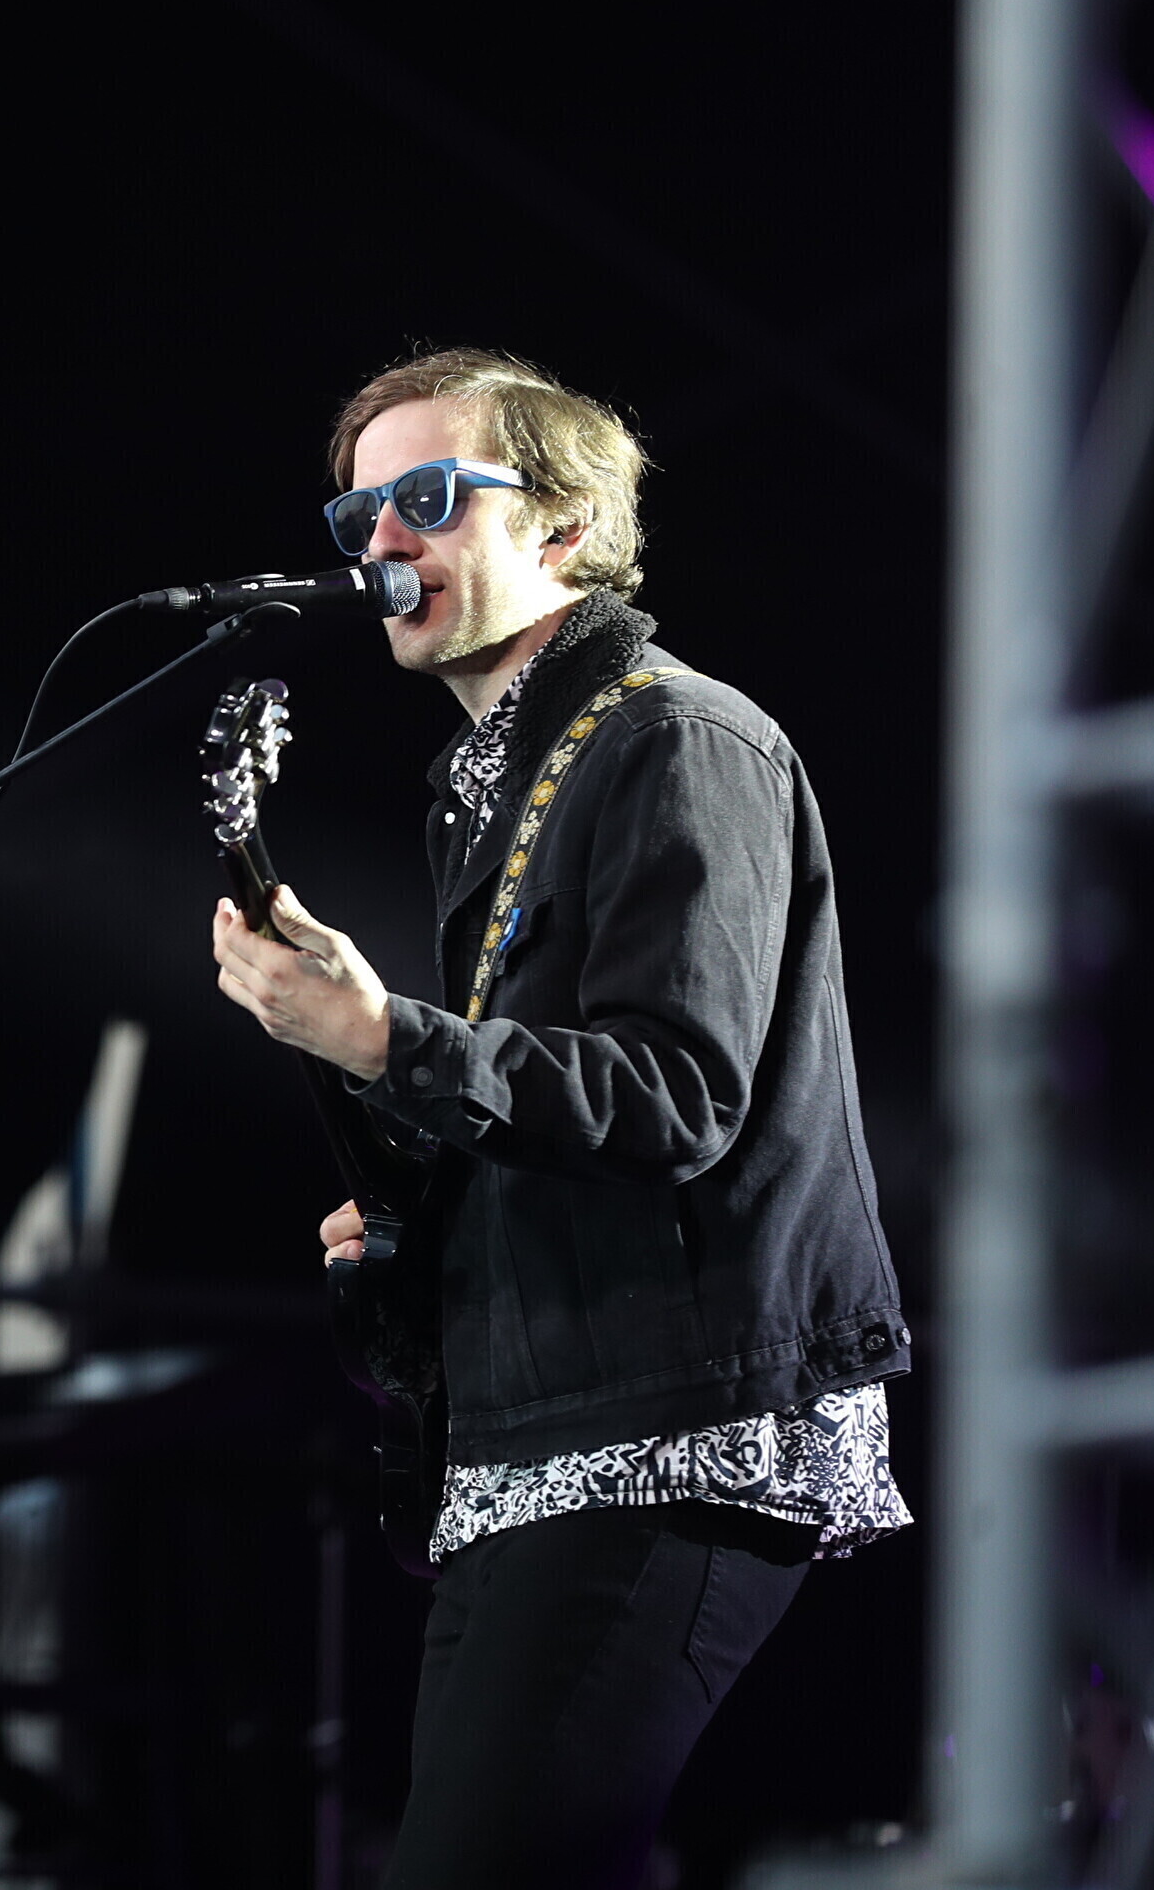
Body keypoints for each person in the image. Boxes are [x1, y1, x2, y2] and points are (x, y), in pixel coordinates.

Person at [208, 350, 913, 1890]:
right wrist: (410, 1202)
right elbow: (554, 1115)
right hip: (539, 1431)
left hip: (679, 1423)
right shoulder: (495, 784)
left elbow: (676, 1093)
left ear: (567, 526)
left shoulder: (675, 738)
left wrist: (386, 1035)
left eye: (426, 497)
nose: (381, 543)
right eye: (357, 517)